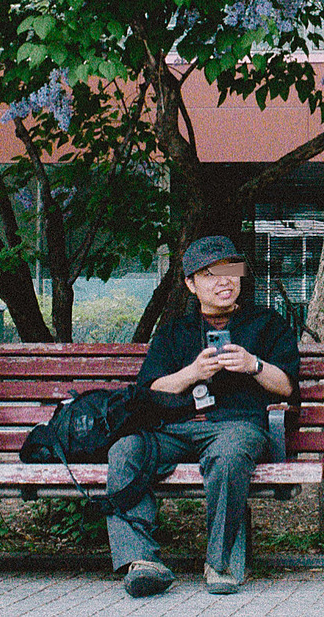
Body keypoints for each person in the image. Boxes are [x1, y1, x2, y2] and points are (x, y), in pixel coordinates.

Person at [106, 236, 299, 597]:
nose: (224, 281)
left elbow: (287, 386)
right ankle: (142, 561)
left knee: (229, 456)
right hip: (174, 429)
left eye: (231, 270)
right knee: (124, 452)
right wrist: (192, 373)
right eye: (209, 274)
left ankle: (218, 563)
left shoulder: (267, 324)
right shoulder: (174, 331)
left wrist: (253, 365)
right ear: (191, 285)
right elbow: (150, 391)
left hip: (235, 425)